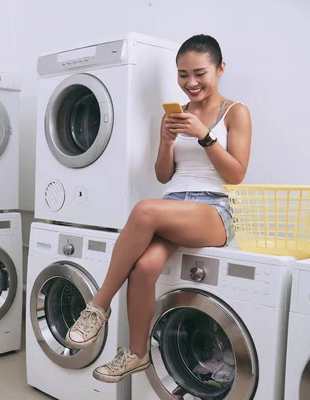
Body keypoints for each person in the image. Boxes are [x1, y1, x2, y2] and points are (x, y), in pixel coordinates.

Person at [64, 34, 252, 384]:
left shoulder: (235, 112)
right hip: (175, 206)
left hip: (214, 211)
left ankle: (98, 305)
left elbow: (236, 174)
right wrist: (166, 142)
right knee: (145, 267)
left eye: (200, 73)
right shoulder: (176, 114)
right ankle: (136, 354)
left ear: (220, 69)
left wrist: (204, 136)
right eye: (182, 74)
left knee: (144, 211)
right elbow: (164, 175)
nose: (191, 83)